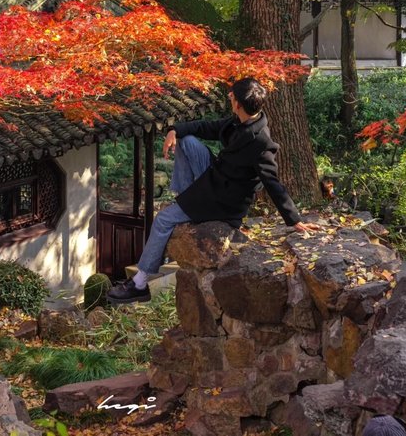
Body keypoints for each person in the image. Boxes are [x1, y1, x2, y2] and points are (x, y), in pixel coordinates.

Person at [107, 76, 318, 304]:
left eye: (232, 96)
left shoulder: (261, 143)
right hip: (214, 179)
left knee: (163, 220)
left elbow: (273, 183)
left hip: (223, 201)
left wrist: (294, 220)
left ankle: (139, 283)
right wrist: (174, 130)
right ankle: (185, 199)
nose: (229, 97)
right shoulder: (240, 120)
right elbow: (207, 127)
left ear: (238, 104)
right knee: (186, 140)